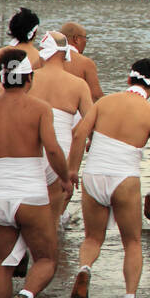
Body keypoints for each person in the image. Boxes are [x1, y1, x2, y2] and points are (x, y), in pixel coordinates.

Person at [0, 49, 72, 298]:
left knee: (4, 262)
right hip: (30, 193)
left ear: (1, 78)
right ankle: (26, 294)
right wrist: (65, 178)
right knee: (47, 259)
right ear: (29, 78)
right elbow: (53, 149)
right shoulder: (39, 108)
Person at [65, 59, 150, 298]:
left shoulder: (104, 103)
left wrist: (71, 171)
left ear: (128, 80)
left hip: (93, 175)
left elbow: (79, 135)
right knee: (132, 242)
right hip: (124, 178)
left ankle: (85, 268)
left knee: (92, 238)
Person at [29, 30, 93, 220]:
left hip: (31, 148)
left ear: (43, 52)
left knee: (29, 214)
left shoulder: (29, 79)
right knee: (52, 220)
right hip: (61, 152)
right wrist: (73, 167)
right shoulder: (78, 84)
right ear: (65, 54)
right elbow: (89, 126)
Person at [58, 22, 104, 100]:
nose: (86, 42)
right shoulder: (85, 63)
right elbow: (96, 96)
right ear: (76, 39)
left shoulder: (42, 58)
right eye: (85, 38)